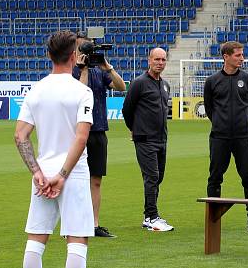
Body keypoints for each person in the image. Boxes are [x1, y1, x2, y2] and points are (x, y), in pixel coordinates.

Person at [15, 30, 100, 268]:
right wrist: (62, 175)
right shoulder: (81, 91)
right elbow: (81, 137)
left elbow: (20, 136)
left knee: (36, 240)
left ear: (49, 55)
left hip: (43, 175)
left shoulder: (35, 90)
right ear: (75, 56)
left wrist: (39, 173)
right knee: (77, 239)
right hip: (71, 173)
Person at [73, 32, 127, 238]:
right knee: (74, 179)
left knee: (96, 180)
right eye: (82, 48)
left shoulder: (99, 71)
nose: (86, 52)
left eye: (88, 48)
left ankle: (94, 225)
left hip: (97, 131)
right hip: (78, 132)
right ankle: (74, 223)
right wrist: (83, 69)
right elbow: (81, 94)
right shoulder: (70, 72)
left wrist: (107, 66)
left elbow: (121, 87)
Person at [203, 41, 248, 231]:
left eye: (242, 55)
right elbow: (210, 108)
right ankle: (213, 216)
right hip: (219, 137)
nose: (242, 58)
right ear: (226, 57)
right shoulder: (212, 81)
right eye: (238, 55)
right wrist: (221, 123)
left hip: (243, 137)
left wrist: (242, 122)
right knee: (215, 176)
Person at [122, 47, 173, 232]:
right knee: (151, 177)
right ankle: (151, 217)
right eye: (157, 59)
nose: (160, 63)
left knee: (158, 177)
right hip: (145, 139)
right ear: (149, 60)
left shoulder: (165, 85)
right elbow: (127, 109)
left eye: (163, 60)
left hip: (162, 139)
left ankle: (150, 216)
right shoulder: (139, 83)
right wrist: (134, 129)